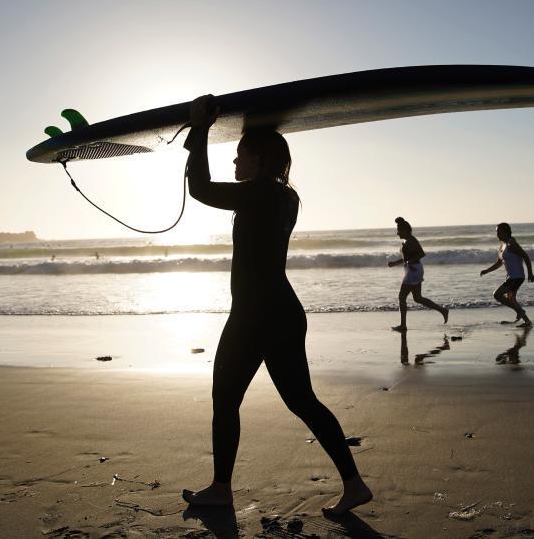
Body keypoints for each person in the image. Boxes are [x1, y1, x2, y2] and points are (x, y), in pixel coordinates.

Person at [181, 95, 372, 516]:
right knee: (302, 401)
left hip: (256, 316)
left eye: (239, 156)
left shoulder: (262, 196)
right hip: (280, 312)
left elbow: (199, 189)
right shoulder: (282, 197)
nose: (234, 164)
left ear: (260, 159)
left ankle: (220, 489)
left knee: (226, 400)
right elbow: (209, 189)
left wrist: (201, 128)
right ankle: (354, 484)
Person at [387, 217, 449, 331]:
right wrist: (394, 263)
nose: (397, 233)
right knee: (418, 298)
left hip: (414, 270)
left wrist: (410, 262)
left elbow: (421, 254)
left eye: (398, 231)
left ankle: (403, 325)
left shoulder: (411, 240)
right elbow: (406, 258)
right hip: (413, 270)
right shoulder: (405, 241)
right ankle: (443, 310)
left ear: (405, 230)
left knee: (402, 296)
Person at [480, 222, 534, 326]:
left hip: (517, 277)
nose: (497, 234)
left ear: (505, 232)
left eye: (499, 232)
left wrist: (530, 273)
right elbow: (499, 263)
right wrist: (487, 271)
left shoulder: (511, 244)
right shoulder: (502, 246)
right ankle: (526, 321)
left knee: (497, 294)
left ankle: (520, 312)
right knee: (511, 299)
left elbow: (525, 256)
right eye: (497, 232)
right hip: (511, 277)